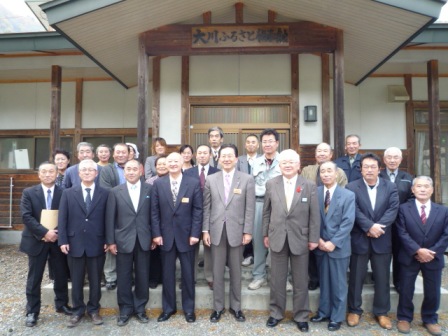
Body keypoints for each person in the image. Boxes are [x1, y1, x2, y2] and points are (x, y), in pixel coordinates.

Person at [262, 149, 320, 332]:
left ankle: (301, 315)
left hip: (300, 238)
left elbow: (314, 215)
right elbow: (266, 212)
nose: (287, 165)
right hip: (277, 236)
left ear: (298, 165)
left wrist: (313, 238)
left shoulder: (309, 185)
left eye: (291, 162)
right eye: (284, 162)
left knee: (301, 280)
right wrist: (265, 234)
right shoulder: (271, 184)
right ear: (279, 166)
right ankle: (276, 313)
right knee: (277, 279)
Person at [345, 153, 399, 330]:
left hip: (382, 239)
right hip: (360, 238)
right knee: (356, 277)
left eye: (372, 167)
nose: (369, 170)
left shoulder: (390, 187)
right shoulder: (352, 187)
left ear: (379, 169)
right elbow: (354, 210)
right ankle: (354, 310)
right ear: (361, 170)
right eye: (366, 167)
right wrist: (369, 227)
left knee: (382, 278)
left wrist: (378, 227)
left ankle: (382, 312)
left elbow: (393, 209)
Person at [203, 144, 255, 323]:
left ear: (235, 158)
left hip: (237, 231)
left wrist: (248, 231)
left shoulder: (246, 179)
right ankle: (217, 307)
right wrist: (205, 230)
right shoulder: (211, 179)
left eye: (229, 156)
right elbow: (206, 207)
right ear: (218, 159)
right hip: (216, 230)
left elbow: (250, 208)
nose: (226, 159)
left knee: (236, 270)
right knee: (217, 272)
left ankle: (236, 306)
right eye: (223, 156)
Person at [151, 152, 203, 323]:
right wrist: (157, 234)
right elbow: (154, 211)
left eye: (176, 161)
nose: (172, 164)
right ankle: (168, 308)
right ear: (165, 164)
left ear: (182, 162)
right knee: (167, 274)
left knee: (188, 275)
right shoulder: (158, 183)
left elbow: (198, 210)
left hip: (187, 236)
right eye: (169, 161)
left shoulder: (193, 183)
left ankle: (189, 309)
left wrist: (195, 234)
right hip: (165, 237)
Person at [20, 162, 72, 327]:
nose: (48, 174)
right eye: (44, 171)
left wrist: (56, 233)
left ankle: (61, 303)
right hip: (37, 240)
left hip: (57, 240)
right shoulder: (28, 192)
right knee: (35, 277)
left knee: (61, 274)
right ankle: (32, 311)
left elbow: (68, 216)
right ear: (39, 175)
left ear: (57, 174)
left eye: (51, 171)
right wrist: (44, 232)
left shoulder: (64, 193)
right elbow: (26, 216)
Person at [58, 159, 109, 328]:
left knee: (95, 279)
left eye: (90, 170)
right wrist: (63, 239)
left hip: (97, 242)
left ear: (96, 173)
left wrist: (108, 240)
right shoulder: (68, 193)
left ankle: (94, 309)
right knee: (77, 280)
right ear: (79, 173)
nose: (87, 172)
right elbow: (62, 218)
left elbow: (108, 219)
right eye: (84, 170)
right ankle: (78, 310)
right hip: (74, 242)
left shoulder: (105, 193)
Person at [395, 176, 448, 336]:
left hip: (434, 256)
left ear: (432, 190)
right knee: (406, 289)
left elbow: (446, 235)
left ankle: (430, 318)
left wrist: (431, 252)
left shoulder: (443, 210)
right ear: (413, 190)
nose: (423, 189)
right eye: (419, 186)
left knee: (433, 290)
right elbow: (401, 232)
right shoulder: (403, 209)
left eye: (426, 186)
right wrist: (417, 250)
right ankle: (404, 318)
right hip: (410, 255)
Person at [105, 159, 152, 326]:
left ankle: (140, 308)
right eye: (128, 169)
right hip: (122, 240)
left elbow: (154, 215)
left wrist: (153, 236)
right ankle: (125, 309)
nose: (131, 172)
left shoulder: (149, 189)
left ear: (141, 171)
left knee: (142, 275)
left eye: (134, 169)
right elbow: (110, 218)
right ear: (124, 173)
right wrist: (110, 241)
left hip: (143, 239)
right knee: (123, 276)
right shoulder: (115, 191)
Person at [310, 161, 355, 332]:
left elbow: (348, 222)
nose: (326, 174)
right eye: (323, 171)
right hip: (320, 245)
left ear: (336, 173)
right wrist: (319, 240)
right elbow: (312, 219)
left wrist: (333, 242)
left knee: (338, 283)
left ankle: (337, 317)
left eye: (329, 171)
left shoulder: (348, 195)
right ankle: (323, 312)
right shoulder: (316, 192)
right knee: (324, 281)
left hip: (338, 246)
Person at [300, 142, 348, 291]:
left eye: (325, 151)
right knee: (312, 251)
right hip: (310, 214)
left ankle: (328, 282)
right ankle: (313, 279)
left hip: (331, 215)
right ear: (315, 155)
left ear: (331, 154)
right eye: (319, 151)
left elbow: (341, 194)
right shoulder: (307, 170)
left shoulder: (339, 172)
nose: (321, 154)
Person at [248, 128, 282, 290]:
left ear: (277, 143)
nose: (267, 144)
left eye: (271, 141)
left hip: (280, 206)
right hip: (259, 204)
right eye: (265, 141)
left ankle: (283, 277)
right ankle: (258, 275)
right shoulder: (255, 162)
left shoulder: (284, 160)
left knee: (281, 242)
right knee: (259, 241)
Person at [184, 144, 220, 290]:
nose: (202, 155)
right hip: (191, 215)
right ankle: (189, 277)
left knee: (208, 246)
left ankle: (210, 277)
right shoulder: (188, 173)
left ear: (210, 155)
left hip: (211, 214)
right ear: (195, 156)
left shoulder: (217, 172)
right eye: (200, 153)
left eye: (205, 153)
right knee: (190, 246)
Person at [379, 146, 414, 292]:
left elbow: (413, 198)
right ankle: (381, 282)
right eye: (389, 157)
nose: (392, 160)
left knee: (400, 252)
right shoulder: (378, 176)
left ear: (401, 159)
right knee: (382, 254)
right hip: (382, 222)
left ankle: (399, 282)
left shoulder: (408, 178)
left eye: (395, 157)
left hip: (401, 222)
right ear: (384, 160)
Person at [99, 143, 130, 291]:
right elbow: (106, 190)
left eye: (124, 152)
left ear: (129, 154)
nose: (121, 154)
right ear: (113, 154)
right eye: (118, 152)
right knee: (111, 242)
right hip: (113, 210)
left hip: (132, 212)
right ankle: (110, 277)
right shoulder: (107, 170)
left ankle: (129, 276)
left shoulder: (134, 167)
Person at [236, 134, 260, 267]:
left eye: (253, 142)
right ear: (245, 145)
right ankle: (248, 254)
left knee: (258, 227)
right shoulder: (239, 160)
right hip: (242, 198)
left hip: (259, 198)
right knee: (246, 226)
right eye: (248, 142)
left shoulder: (262, 160)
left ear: (258, 145)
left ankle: (260, 255)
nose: (251, 144)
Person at [145, 155, 168, 288]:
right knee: (154, 252)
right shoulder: (149, 182)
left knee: (166, 253)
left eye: (164, 163)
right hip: (153, 220)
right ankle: (154, 278)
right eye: (159, 164)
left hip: (169, 222)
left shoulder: (174, 179)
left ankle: (165, 277)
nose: (161, 166)